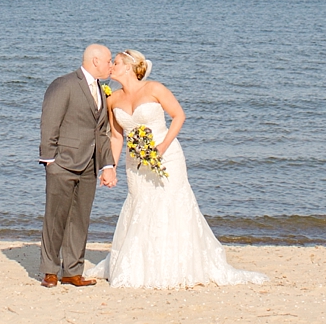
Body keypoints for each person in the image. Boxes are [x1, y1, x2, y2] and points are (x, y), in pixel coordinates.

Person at [90, 48, 266, 288]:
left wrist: (162, 146)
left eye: (117, 63)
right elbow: (117, 137)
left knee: (170, 204)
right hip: (136, 164)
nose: (111, 67)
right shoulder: (113, 100)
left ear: (129, 67)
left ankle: (175, 265)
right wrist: (110, 167)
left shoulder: (154, 89)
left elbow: (179, 116)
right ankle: (141, 267)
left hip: (167, 157)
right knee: (140, 205)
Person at [37, 43, 116, 287]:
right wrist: (50, 160)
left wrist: (107, 165)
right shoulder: (64, 84)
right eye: (108, 61)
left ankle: (72, 270)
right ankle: (50, 270)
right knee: (55, 217)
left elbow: (101, 131)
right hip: (63, 163)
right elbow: (50, 122)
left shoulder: (102, 90)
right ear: (95, 61)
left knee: (80, 218)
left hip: (89, 165)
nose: (111, 66)